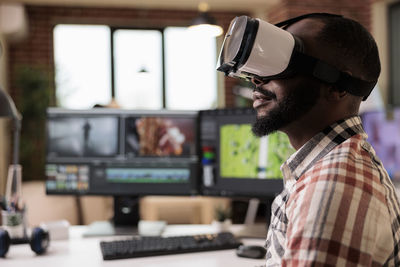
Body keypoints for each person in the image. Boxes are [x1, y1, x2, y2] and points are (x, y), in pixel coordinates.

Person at [248, 14, 400, 266]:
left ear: (337, 85)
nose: (257, 79)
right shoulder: (324, 167)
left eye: (285, 62)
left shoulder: (333, 185)